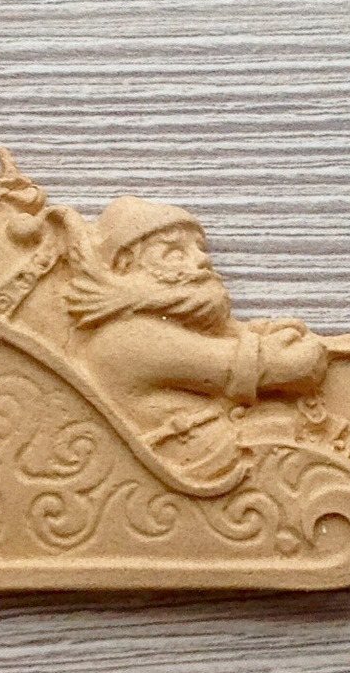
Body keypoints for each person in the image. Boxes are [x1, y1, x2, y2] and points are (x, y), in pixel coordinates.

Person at [65, 196, 326, 484]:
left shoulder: (163, 325)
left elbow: (227, 336)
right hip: (207, 479)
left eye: (198, 248)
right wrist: (284, 350)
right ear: (126, 268)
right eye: (175, 253)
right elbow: (289, 366)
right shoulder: (130, 337)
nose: (202, 259)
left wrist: (260, 332)